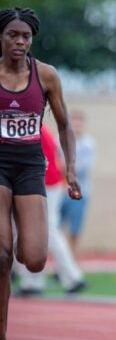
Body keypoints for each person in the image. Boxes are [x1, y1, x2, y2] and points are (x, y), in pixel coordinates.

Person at [0, 7, 81, 340]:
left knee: (33, 259)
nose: (19, 42)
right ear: (1, 38)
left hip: (31, 166)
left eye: (26, 36)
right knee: (1, 258)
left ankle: (15, 241)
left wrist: (72, 169)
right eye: (12, 35)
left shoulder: (46, 75)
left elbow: (64, 125)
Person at [16, 125, 86, 295]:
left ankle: (72, 277)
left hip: (43, 182)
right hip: (42, 181)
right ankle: (35, 281)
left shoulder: (29, 126)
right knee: (32, 231)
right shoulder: (36, 127)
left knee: (46, 231)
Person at [60, 109, 96, 259]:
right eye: (73, 122)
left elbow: (82, 167)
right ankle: (61, 264)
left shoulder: (88, 144)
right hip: (60, 191)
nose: (76, 125)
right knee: (56, 228)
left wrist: (66, 167)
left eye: (79, 122)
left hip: (80, 193)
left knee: (75, 230)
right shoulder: (60, 141)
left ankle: (72, 261)